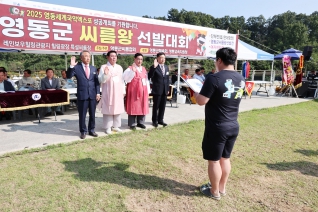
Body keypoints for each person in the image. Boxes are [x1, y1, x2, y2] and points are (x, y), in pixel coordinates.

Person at [194, 47, 245, 200]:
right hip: (233, 125)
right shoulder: (241, 79)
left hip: (217, 127)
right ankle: (221, 188)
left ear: (219, 60)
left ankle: (214, 191)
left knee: (214, 161)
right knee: (225, 158)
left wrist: (196, 93)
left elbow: (201, 101)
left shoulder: (214, 78)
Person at [67, 50, 100, 139]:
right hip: (82, 95)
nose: (88, 58)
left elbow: (96, 82)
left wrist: (98, 93)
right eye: (85, 56)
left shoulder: (93, 68)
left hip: (92, 95)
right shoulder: (76, 68)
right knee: (82, 115)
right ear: (81, 58)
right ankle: (83, 131)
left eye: (89, 56)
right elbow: (68, 76)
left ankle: (92, 130)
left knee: (92, 114)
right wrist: (71, 66)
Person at [98, 50, 125, 134]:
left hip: (118, 91)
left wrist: (123, 91)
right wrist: (105, 74)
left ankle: (116, 126)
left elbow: (122, 80)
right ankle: (108, 127)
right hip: (108, 91)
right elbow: (101, 80)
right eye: (112, 56)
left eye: (115, 56)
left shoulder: (119, 67)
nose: (114, 58)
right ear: (107, 57)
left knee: (117, 108)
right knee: (108, 109)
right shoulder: (104, 67)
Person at [123, 53, 150, 130]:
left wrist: (148, 91)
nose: (139, 61)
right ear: (134, 59)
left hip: (143, 91)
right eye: (138, 59)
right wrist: (132, 72)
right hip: (133, 91)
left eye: (141, 59)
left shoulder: (144, 69)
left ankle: (140, 122)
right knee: (133, 106)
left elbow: (146, 80)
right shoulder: (130, 68)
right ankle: (132, 123)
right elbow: (126, 79)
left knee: (142, 106)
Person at [148, 52, 170, 127]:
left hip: (164, 90)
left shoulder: (166, 67)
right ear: (157, 58)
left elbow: (167, 79)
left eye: (164, 57)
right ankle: (154, 121)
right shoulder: (154, 67)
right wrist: (154, 67)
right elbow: (149, 76)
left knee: (162, 106)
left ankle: (161, 120)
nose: (162, 59)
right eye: (161, 57)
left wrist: (167, 88)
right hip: (157, 90)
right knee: (156, 106)